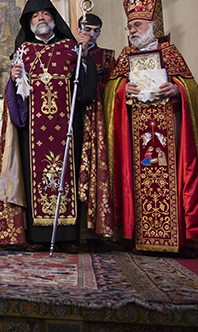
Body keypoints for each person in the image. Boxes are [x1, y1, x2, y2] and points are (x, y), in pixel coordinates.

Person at [103, 0, 198, 255]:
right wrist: (126, 92)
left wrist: (178, 91)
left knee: (173, 180)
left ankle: (179, 238)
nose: (133, 31)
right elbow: (111, 94)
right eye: (130, 27)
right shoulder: (124, 58)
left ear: (154, 24)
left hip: (169, 134)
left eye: (138, 24)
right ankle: (140, 236)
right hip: (134, 136)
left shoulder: (170, 53)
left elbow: (192, 89)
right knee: (138, 182)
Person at [0, 0, 96, 251]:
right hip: (34, 132)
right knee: (35, 179)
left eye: (45, 14)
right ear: (29, 23)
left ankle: (69, 237)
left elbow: (85, 92)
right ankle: (39, 237)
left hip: (67, 129)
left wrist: (83, 59)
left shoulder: (70, 48)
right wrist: (14, 79)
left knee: (67, 178)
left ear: (53, 19)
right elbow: (16, 98)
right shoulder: (23, 52)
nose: (41, 18)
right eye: (36, 16)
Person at [78, 13, 116, 241]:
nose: (92, 34)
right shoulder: (69, 51)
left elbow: (113, 84)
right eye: (88, 29)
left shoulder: (108, 56)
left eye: (96, 31)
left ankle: (100, 230)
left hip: (101, 118)